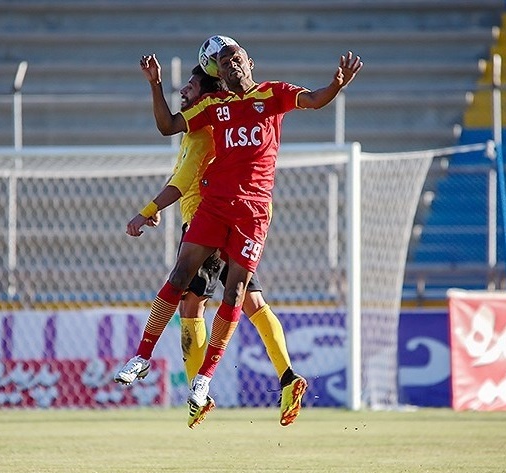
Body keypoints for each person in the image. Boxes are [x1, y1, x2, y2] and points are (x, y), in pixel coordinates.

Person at [119, 42, 361, 426]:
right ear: (219, 71)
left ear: (249, 62)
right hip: (214, 209)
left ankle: (199, 387)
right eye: (223, 60)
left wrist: (335, 86)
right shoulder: (211, 110)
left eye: (236, 57)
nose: (231, 63)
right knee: (239, 300)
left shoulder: (272, 94)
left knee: (209, 301)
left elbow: (314, 100)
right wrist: (155, 85)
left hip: (247, 214)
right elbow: (167, 126)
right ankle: (264, 378)